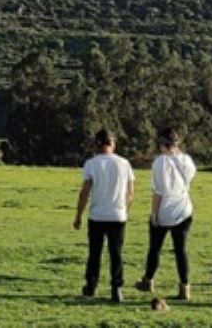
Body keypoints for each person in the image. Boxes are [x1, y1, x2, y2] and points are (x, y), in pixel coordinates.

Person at [134, 126, 197, 301]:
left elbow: (158, 191)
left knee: (155, 248)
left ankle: (148, 280)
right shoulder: (187, 160)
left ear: (162, 144)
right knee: (180, 250)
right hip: (184, 208)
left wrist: (154, 213)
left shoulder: (160, 162)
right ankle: (185, 287)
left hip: (164, 210)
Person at [73, 128, 135, 302]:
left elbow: (84, 192)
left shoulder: (91, 164)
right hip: (118, 215)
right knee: (116, 253)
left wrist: (78, 215)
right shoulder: (124, 164)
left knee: (95, 253)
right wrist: (126, 210)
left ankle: (91, 286)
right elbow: (130, 192)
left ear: (97, 144)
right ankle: (117, 288)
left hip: (97, 215)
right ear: (112, 143)